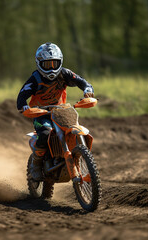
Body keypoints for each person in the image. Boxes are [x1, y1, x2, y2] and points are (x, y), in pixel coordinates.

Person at [17, 42, 94, 181]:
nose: (52, 68)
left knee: (73, 128)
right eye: (47, 64)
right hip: (41, 114)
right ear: (39, 63)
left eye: (55, 63)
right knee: (45, 133)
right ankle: (36, 164)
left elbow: (82, 82)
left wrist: (88, 90)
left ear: (61, 62)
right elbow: (22, 95)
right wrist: (24, 106)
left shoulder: (65, 73)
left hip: (61, 112)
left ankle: (83, 161)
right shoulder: (35, 78)